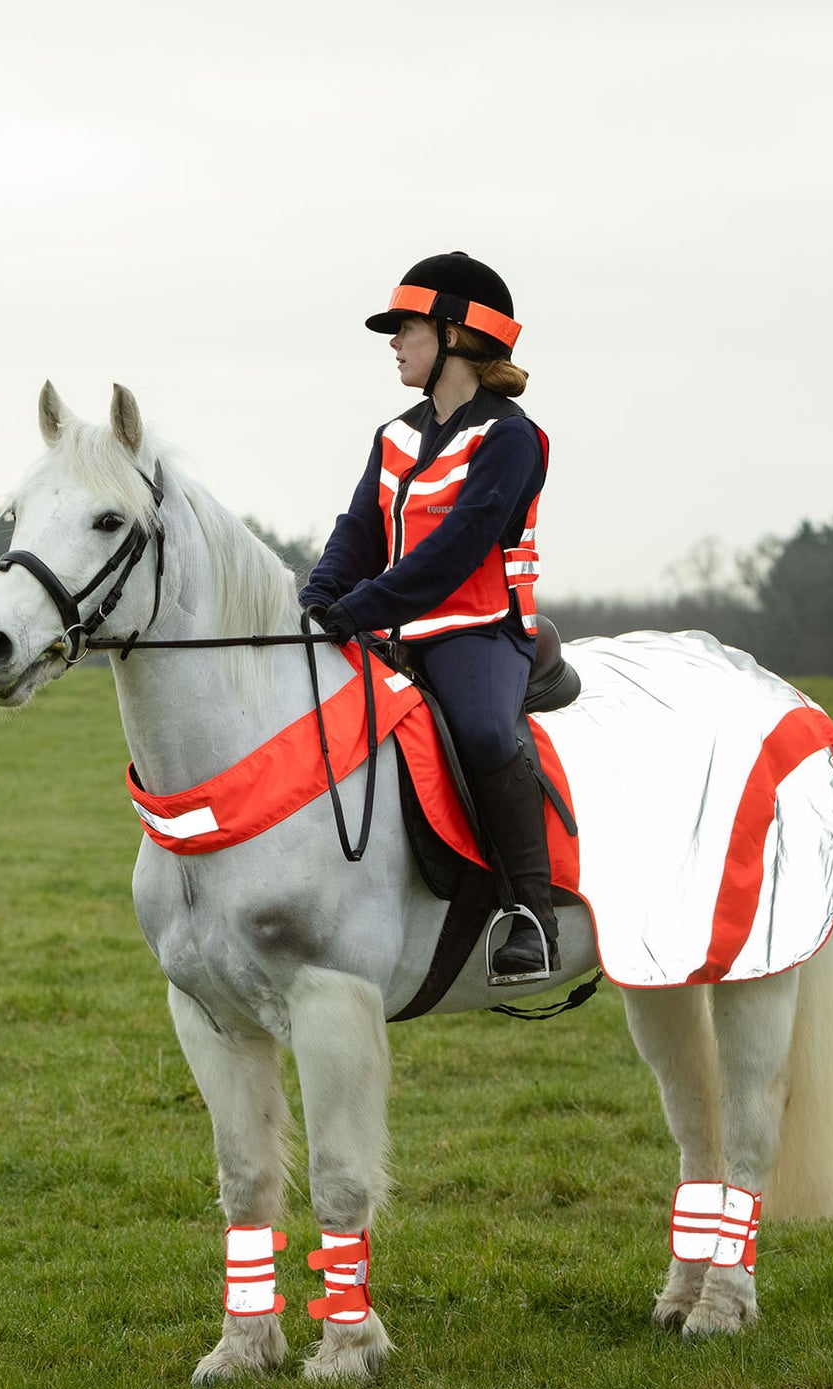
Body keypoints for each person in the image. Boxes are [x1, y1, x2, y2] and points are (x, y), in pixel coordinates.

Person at [299, 251, 558, 983]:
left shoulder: (511, 437)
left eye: (404, 327)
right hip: (391, 630)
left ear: (453, 335)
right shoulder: (393, 436)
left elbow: (456, 551)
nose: (392, 342)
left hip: (479, 632)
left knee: (479, 730)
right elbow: (356, 533)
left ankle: (530, 916)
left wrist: (358, 609)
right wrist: (319, 599)